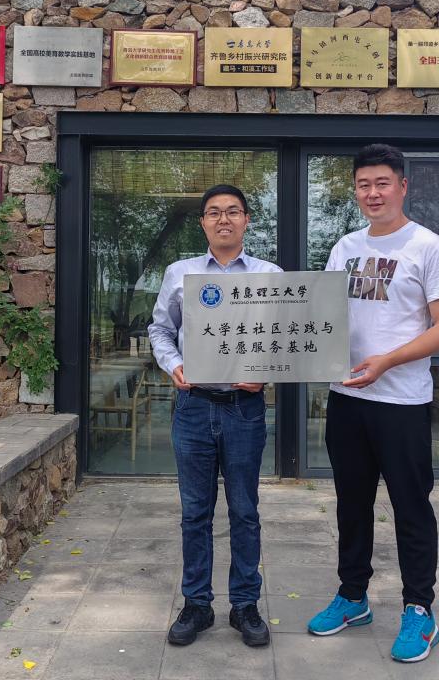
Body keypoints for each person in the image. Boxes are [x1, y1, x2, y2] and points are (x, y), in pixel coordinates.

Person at [307, 144, 439, 663]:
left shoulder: (428, 246)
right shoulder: (345, 246)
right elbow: (323, 315)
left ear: (402, 186)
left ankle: (420, 609)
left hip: (401, 401)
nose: (372, 193)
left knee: (411, 507)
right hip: (347, 398)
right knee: (351, 504)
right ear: (355, 191)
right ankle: (353, 596)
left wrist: (388, 361)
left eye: (382, 183)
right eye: (363, 185)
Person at [148, 184, 281, 648]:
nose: (224, 219)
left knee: (245, 511)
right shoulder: (180, 273)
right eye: (214, 212)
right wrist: (173, 365)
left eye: (233, 211)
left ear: (246, 220)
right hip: (193, 407)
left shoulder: (270, 275)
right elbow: (160, 329)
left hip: (244, 410)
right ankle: (197, 604)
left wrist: (264, 373)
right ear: (203, 222)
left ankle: (245, 605)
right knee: (195, 512)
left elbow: (280, 339)